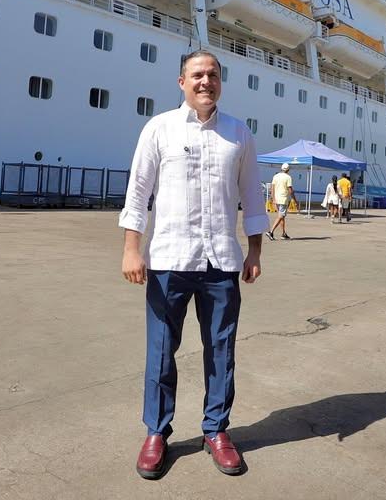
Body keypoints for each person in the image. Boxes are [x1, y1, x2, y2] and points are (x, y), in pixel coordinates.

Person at [119, 50, 265, 480]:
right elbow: (138, 191)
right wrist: (131, 249)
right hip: (169, 260)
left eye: (213, 75)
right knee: (161, 351)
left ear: (221, 82)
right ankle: (156, 432)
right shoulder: (159, 128)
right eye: (197, 74)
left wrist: (255, 250)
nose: (206, 81)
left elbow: (252, 195)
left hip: (221, 262)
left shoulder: (238, 133)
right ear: (181, 81)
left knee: (221, 350)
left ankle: (216, 429)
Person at [267, 163, 294, 240]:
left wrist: (273, 198)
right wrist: (294, 199)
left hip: (277, 199)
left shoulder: (275, 176)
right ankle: (271, 232)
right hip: (283, 199)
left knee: (282, 217)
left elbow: (272, 188)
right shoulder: (288, 177)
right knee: (280, 216)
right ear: (288, 169)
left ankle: (283, 234)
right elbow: (290, 190)